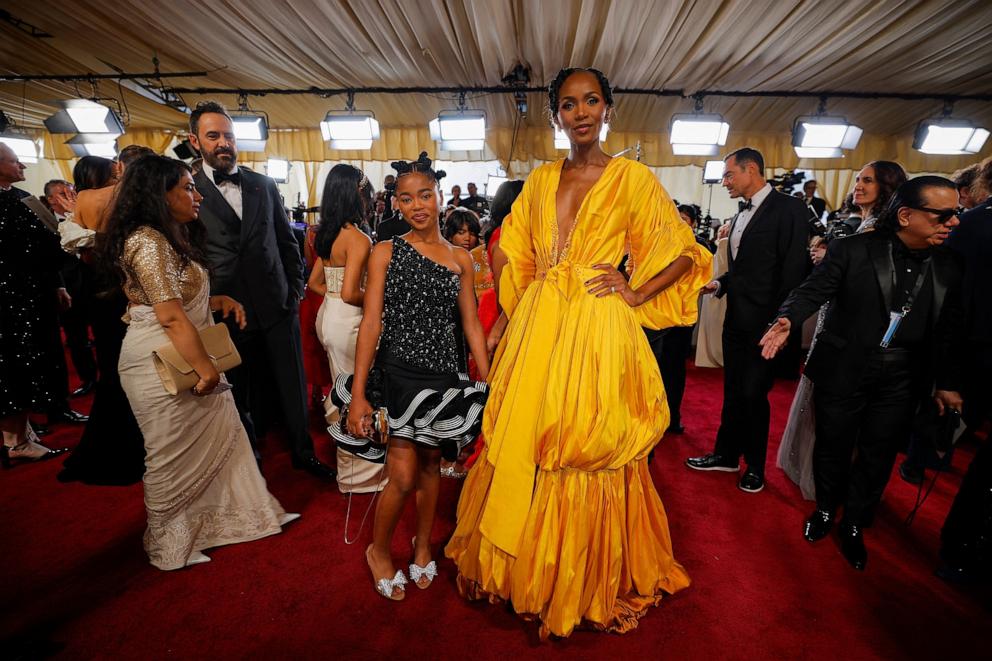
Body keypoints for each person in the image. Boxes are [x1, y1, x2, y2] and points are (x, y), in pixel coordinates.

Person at [445, 68, 711, 638]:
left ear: (608, 109)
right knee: (526, 436)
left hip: (597, 329)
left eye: (591, 100)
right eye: (569, 104)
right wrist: (515, 308)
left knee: (583, 440)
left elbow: (686, 253)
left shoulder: (634, 179)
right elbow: (509, 246)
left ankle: (579, 575)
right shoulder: (540, 179)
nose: (581, 112)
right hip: (540, 325)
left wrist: (634, 290)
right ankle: (524, 564)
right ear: (556, 116)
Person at [760, 176, 964, 571]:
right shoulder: (853, 249)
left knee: (879, 453)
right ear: (906, 215)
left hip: (904, 375)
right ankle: (824, 511)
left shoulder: (952, 264)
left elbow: (951, 329)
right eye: (944, 214)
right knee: (832, 446)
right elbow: (813, 289)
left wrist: (949, 383)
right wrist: (787, 319)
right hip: (843, 367)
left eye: (956, 213)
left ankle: (854, 523)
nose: (954, 222)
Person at [104, 154, 297, 570]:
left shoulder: (168, 235)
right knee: (169, 455)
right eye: (187, 188)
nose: (196, 195)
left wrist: (214, 300)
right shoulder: (147, 240)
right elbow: (169, 315)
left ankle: (236, 520)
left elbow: (170, 298)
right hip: (161, 362)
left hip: (183, 348)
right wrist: (207, 369)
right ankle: (167, 546)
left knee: (225, 442)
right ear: (160, 194)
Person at [332, 153, 490, 601]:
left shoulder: (462, 257)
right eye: (406, 198)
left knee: (430, 467)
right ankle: (379, 551)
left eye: (425, 194)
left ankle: (422, 547)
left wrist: (488, 381)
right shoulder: (385, 251)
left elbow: (472, 325)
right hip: (399, 375)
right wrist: (359, 393)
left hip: (444, 377)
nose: (418, 205)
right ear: (395, 204)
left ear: (440, 196)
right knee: (401, 475)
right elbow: (371, 322)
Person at [187, 101, 334, 480]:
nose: (224, 143)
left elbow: (286, 241)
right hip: (223, 308)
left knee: (293, 384)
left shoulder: (263, 184)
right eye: (213, 136)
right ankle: (247, 464)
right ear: (195, 141)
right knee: (236, 391)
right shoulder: (187, 189)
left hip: (276, 303)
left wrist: (295, 289)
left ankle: (303, 452)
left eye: (229, 136)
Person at [685, 147, 810, 493]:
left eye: (728, 175)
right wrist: (720, 283)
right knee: (733, 392)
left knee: (754, 395)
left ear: (751, 169)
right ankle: (726, 455)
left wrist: (781, 322)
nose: (724, 182)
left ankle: (755, 466)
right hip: (736, 320)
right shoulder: (739, 215)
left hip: (767, 325)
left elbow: (793, 271)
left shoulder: (790, 209)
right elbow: (745, 269)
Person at [57, 146, 153, 485]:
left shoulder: (84, 198)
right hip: (133, 287)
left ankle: (107, 443)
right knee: (141, 365)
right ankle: (144, 445)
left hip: (97, 287)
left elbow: (80, 251)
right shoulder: (139, 199)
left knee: (112, 366)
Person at [0, 143, 71, 465]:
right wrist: (74, 227)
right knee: (14, 367)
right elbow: (48, 245)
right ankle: (15, 441)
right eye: (16, 161)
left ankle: (21, 433)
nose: (23, 168)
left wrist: (56, 281)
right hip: (12, 299)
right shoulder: (11, 204)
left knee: (22, 364)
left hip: (27, 293)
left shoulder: (18, 198)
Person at [938, 161, 992, 581]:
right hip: (971, 357)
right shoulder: (970, 226)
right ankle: (959, 548)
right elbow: (947, 305)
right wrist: (948, 375)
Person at [307, 164, 373, 484]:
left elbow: (315, 284)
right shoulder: (357, 238)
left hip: (328, 316)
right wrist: (378, 300)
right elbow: (351, 293)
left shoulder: (328, 234)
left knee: (341, 388)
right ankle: (361, 473)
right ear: (356, 194)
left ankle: (349, 467)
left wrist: (335, 299)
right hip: (348, 321)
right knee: (357, 390)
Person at [45, 179, 97, 396]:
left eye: (71, 190)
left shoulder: (85, 214)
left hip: (93, 284)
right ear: (50, 200)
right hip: (69, 288)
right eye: (62, 193)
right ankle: (89, 379)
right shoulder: (46, 223)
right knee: (77, 339)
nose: (69, 195)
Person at [851, 161, 907, 233]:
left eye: (868, 180)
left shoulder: (879, 228)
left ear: (886, 186)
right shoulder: (867, 223)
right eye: (857, 180)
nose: (857, 187)